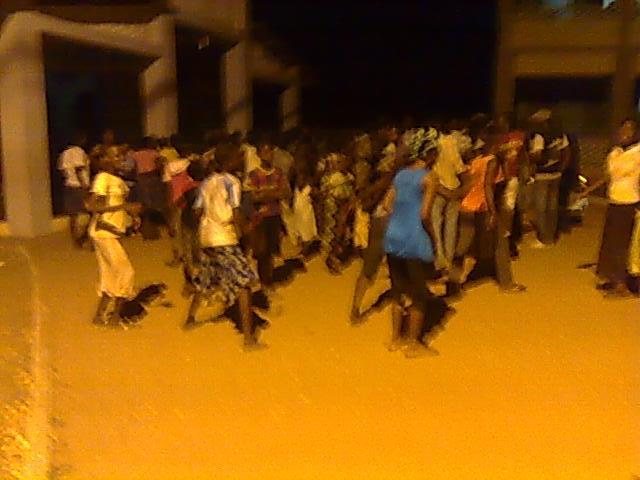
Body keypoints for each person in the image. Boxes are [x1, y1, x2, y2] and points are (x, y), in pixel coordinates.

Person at [185, 143, 265, 350]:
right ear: (230, 161)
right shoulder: (232, 182)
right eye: (238, 156)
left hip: (206, 236)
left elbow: (196, 212)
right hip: (224, 237)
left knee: (206, 278)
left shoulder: (206, 182)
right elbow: (236, 213)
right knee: (244, 285)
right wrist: (249, 229)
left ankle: (190, 319)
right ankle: (248, 339)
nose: (241, 159)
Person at [380, 127, 440, 358]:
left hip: (394, 235)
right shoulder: (429, 177)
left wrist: (401, 214)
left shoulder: (401, 175)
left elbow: (387, 204)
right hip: (414, 238)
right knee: (419, 294)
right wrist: (433, 238)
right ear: (430, 152)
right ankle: (413, 343)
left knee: (398, 289)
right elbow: (425, 214)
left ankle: (396, 338)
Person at [450, 139, 526, 293]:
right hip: (483, 207)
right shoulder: (493, 162)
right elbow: (488, 186)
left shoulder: (478, 160)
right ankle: (506, 283)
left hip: (468, 206)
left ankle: (454, 281)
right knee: (500, 244)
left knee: (465, 247)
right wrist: (493, 212)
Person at [85, 150, 142, 326]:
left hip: (110, 232)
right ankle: (115, 317)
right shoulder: (103, 178)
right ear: (105, 160)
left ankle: (100, 316)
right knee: (126, 272)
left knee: (110, 274)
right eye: (116, 156)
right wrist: (124, 207)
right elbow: (92, 205)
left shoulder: (116, 180)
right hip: (103, 231)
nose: (121, 159)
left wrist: (131, 215)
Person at [596, 118, 640, 297]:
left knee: (623, 245)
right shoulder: (616, 152)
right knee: (611, 244)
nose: (624, 133)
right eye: (622, 129)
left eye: (629, 130)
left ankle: (622, 285)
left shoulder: (638, 152)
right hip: (614, 201)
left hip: (630, 202)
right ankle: (613, 278)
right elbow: (610, 173)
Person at [245, 138, 291, 289]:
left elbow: (285, 192)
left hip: (274, 215)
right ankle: (264, 280)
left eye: (270, 151)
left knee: (272, 249)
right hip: (260, 217)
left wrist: (265, 193)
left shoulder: (278, 172)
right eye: (264, 152)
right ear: (258, 154)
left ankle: (268, 278)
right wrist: (273, 193)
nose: (268, 155)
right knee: (261, 250)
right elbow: (253, 197)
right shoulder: (254, 174)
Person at [528, 109, 571, 246]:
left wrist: (529, 157)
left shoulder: (539, 136)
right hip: (556, 175)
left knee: (541, 209)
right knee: (552, 207)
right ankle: (551, 237)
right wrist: (561, 168)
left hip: (542, 175)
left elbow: (537, 156)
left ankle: (543, 238)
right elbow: (567, 153)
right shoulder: (561, 135)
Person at [431, 127, 467, 275]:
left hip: (436, 188)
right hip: (453, 186)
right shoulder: (451, 141)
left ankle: (440, 261)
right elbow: (459, 167)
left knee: (435, 226)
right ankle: (449, 260)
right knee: (451, 226)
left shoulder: (431, 141)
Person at [319, 152, 356, 273]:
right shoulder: (334, 178)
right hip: (333, 210)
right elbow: (339, 196)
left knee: (339, 234)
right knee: (334, 235)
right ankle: (332, 259)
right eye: (337, 162)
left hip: (339, 210)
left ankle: (334, 257)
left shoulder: (344, 176)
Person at [58, 132, 91, 247]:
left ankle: (75, 240)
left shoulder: (64, 154)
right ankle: (84, 237)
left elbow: (62, 171)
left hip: (69, 185)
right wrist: (84, 185)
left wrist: (69, 178)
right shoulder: (79, 151)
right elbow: (79, 169)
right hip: (79, 186)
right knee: (93, 213)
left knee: (73, 215)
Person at [132, 136, 165, 239]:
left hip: (141, 179)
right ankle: (153, 230)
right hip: (153, 178)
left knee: (144, 205)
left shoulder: (136, 155)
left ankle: (144, 230)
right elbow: (159, 167)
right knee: (154, 205)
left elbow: (133, 168)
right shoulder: (155, 154)